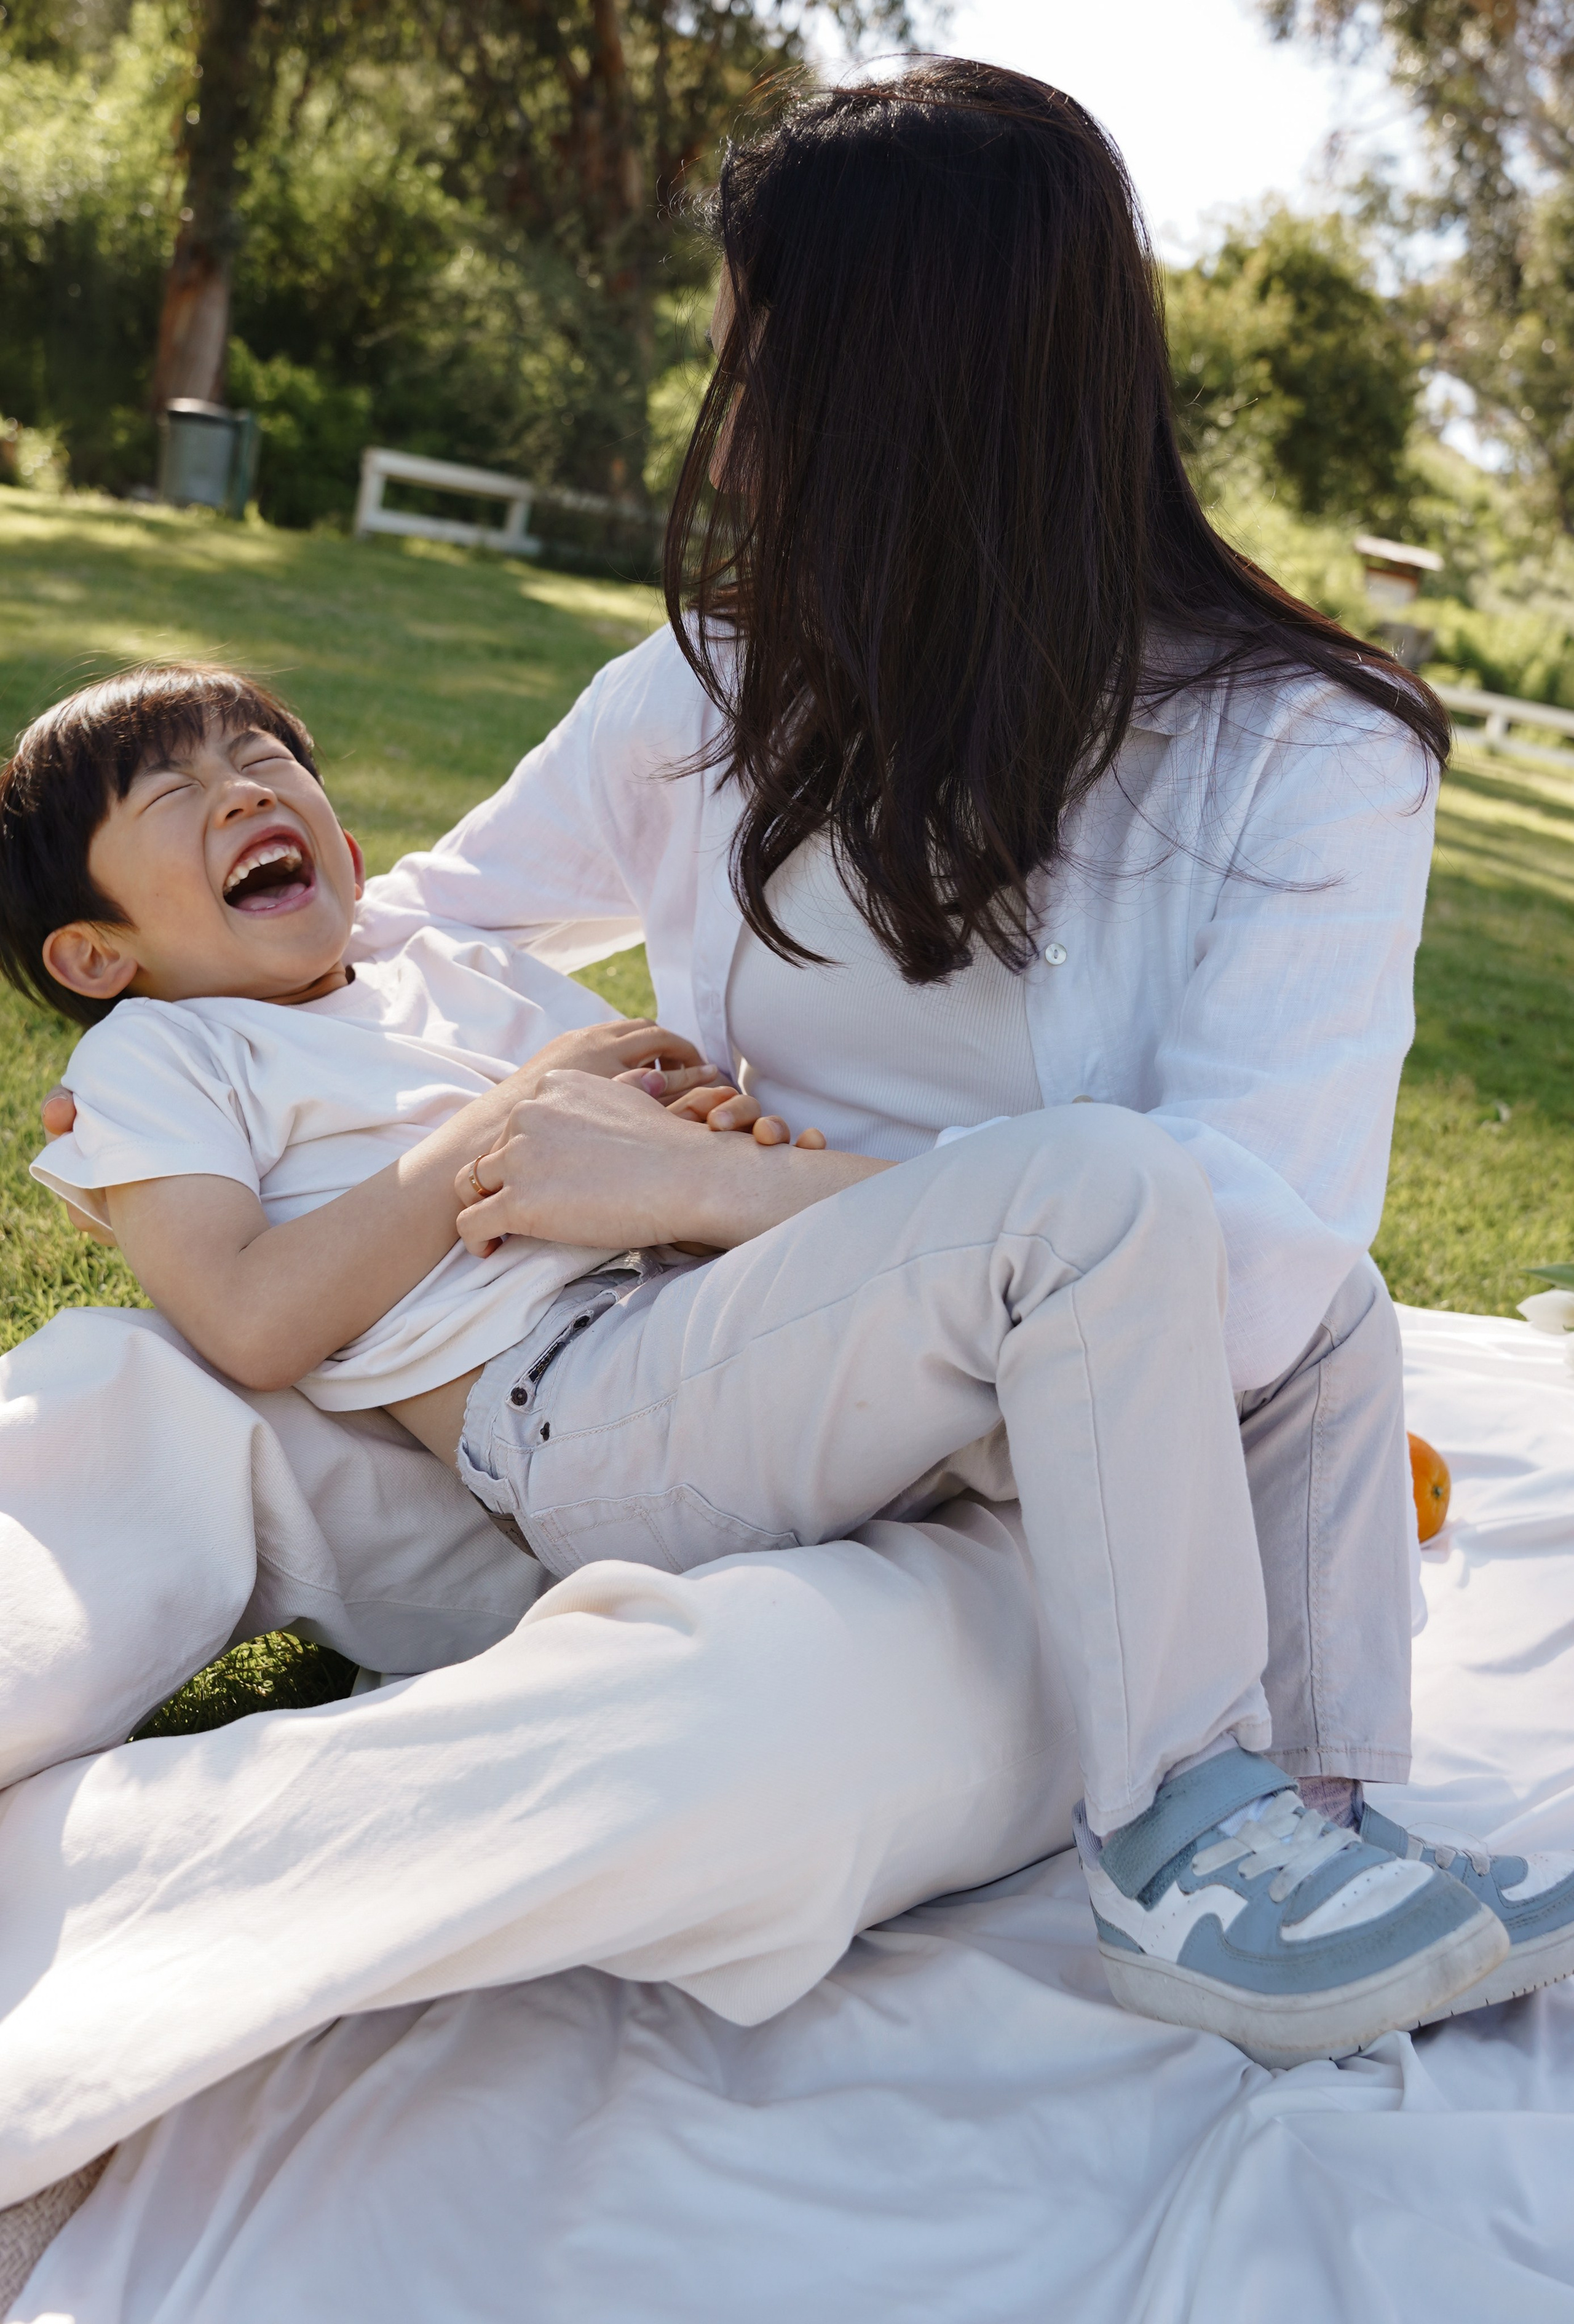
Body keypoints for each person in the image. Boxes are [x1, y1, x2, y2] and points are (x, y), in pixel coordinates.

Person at [4, 57, 1572, 2214]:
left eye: (755, 358)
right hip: (686, 1375)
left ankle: (1259, 1818)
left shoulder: (1296, 749)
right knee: (129, 1396)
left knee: (1247, 1347)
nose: (720, 422)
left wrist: (715, 1184)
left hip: (1038, 1456)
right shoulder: (713, 693)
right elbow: (414, 936)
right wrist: (352, 1124)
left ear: (904, 388)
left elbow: (1262, 1269)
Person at [2, 658, 1509, 2066]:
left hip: (719, 1333)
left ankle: (1318, 1814)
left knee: (1308, 1300)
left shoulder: (446, 971)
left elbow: (638, 1120)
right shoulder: (162, 1058)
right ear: (94, 951)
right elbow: (251, 1316)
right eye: (178, 794)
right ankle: (1181, 1850)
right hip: (581, 1413)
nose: (247, 791)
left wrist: (693, 1135)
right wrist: (505, 1125)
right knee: (1096, 1194)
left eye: (264, 759)